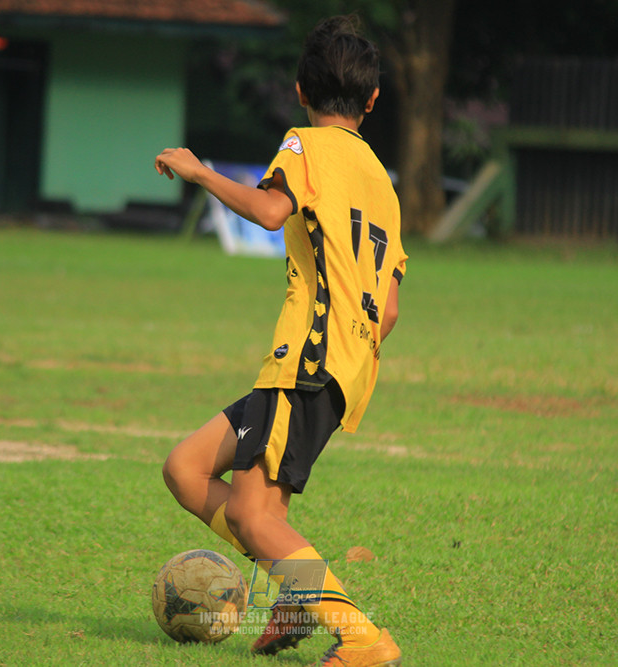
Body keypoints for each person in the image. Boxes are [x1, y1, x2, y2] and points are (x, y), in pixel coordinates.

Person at [155, 15, 405, 667]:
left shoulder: (304, 145)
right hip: (335, 368)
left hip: (306, 362)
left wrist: (200, 172)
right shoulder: (383, 182)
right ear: (372, 100)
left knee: (255, 516)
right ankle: (295, 591)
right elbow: (391, 309)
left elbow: (270, 212)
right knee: (186, 468)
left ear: (300, 91)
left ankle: (363, 638)